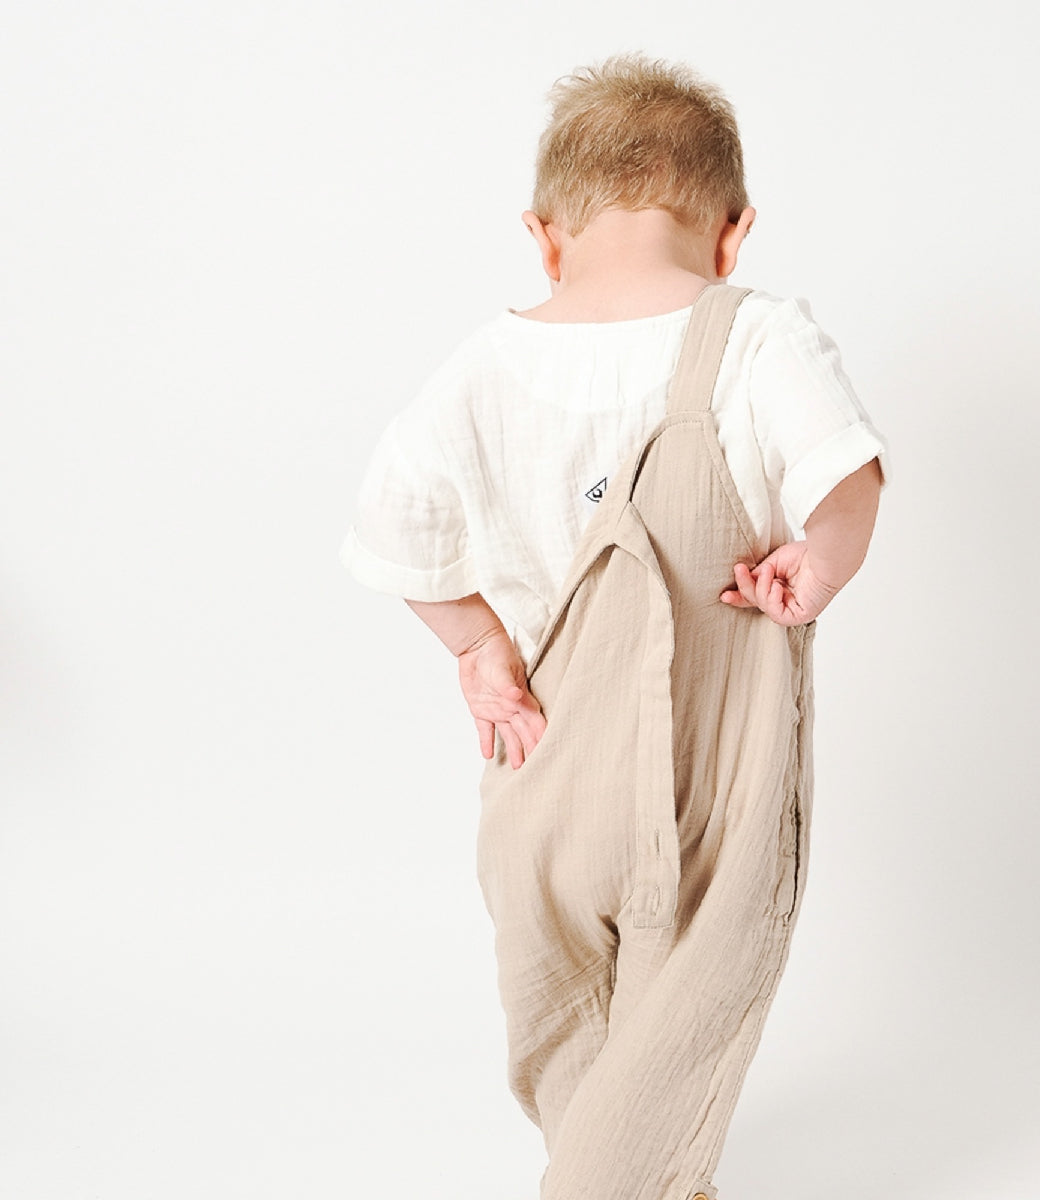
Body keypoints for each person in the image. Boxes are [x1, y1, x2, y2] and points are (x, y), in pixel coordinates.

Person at [341, 52, 890, 1200]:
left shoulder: (482, 366)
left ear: (544, 238)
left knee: (567, 1027)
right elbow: (846, 470)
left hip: (540, 771)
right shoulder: (755, 338)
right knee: (682, 1012)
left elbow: (392, 519)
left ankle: (617, 1171)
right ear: (733, 233)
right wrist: (818, 564)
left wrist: (478, 645)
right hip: (706, 781)